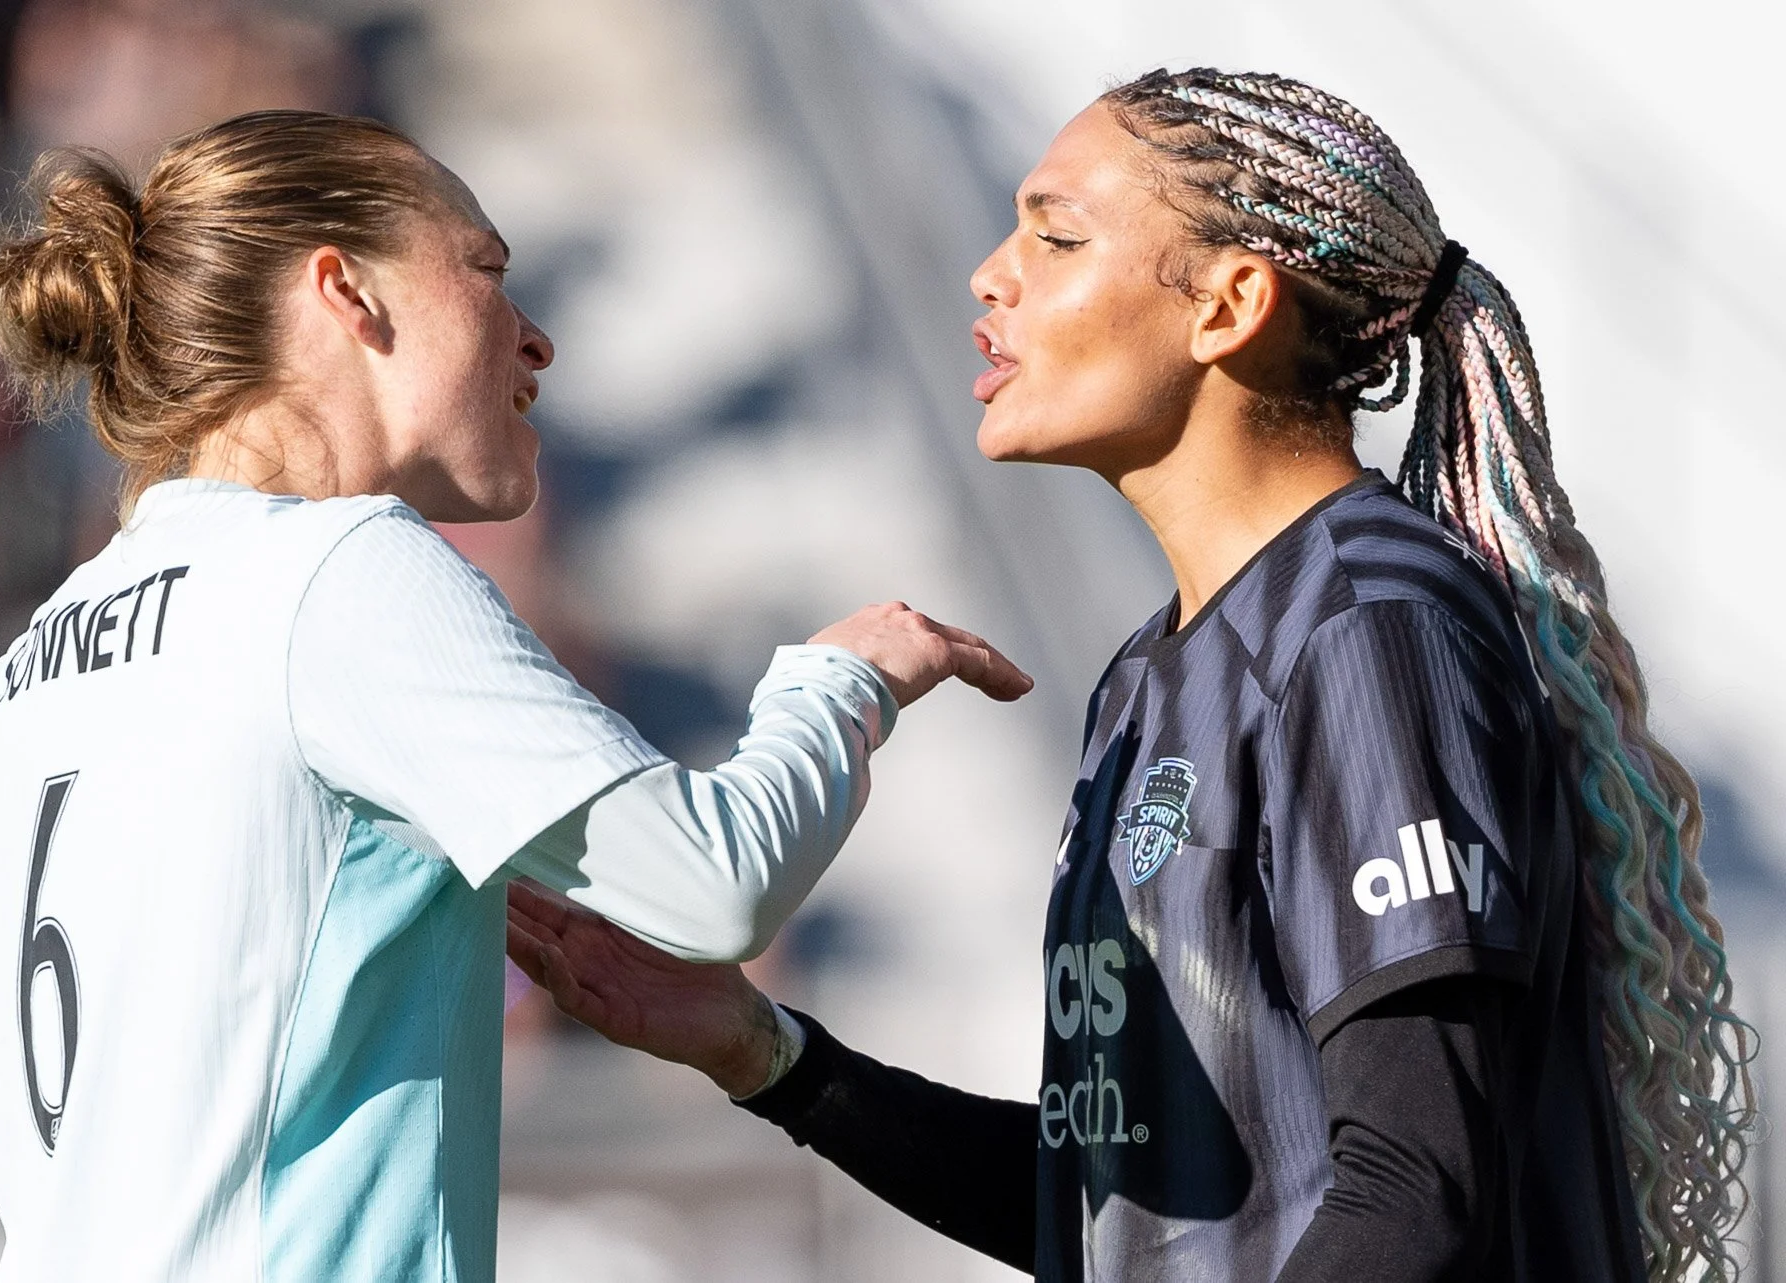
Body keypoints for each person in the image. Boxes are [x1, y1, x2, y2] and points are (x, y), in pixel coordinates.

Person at [505, 68, 1756, 1282]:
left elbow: (1416, 1186)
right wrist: (769, 1056)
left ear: (1227, 306)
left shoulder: (1368, 625)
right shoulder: (1148, 677)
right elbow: (1120, 1216)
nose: (989, 275)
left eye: (1052, 238)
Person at [0, 109, 1032, 1281]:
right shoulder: (340, 571)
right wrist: (846, 679)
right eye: (487, 268)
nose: (534, 336)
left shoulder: (20, 676)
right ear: (346, 291)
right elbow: (707, 883)